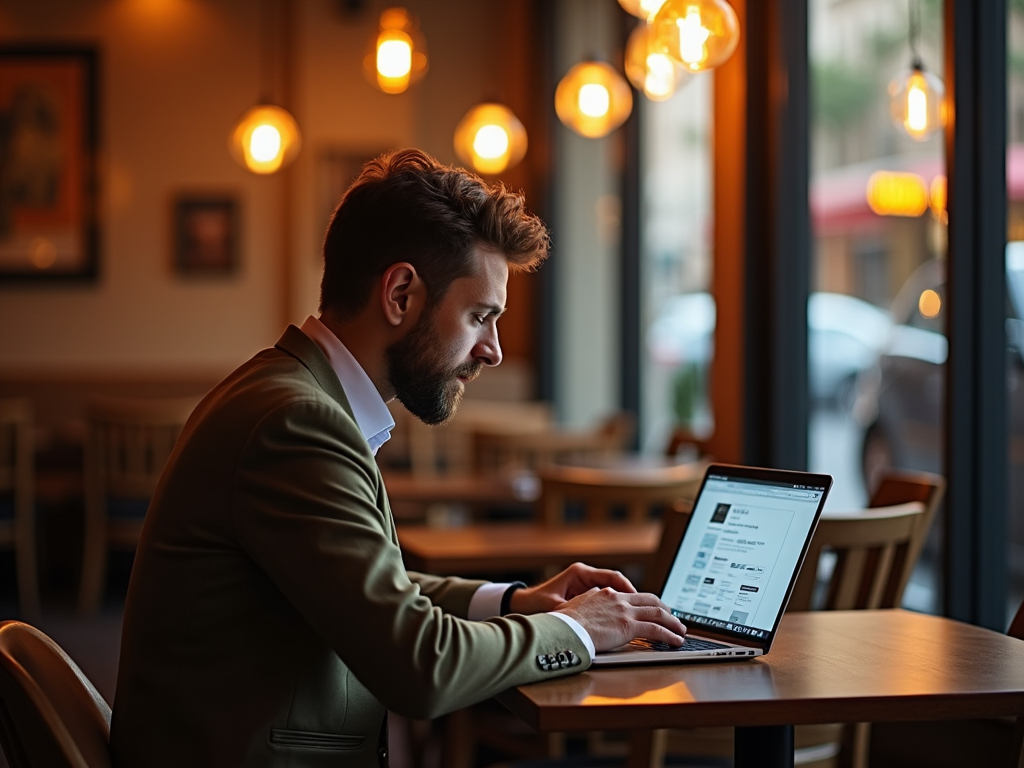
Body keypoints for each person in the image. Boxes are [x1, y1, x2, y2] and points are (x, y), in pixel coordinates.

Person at [110, 149, 686, 768]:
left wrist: (515, 603)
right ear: (401, 293)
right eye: (479, 316)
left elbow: (370, 590)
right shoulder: (296, 422)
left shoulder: (290, 393)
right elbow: (421, 669)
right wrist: (579, 629)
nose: (491, 350)